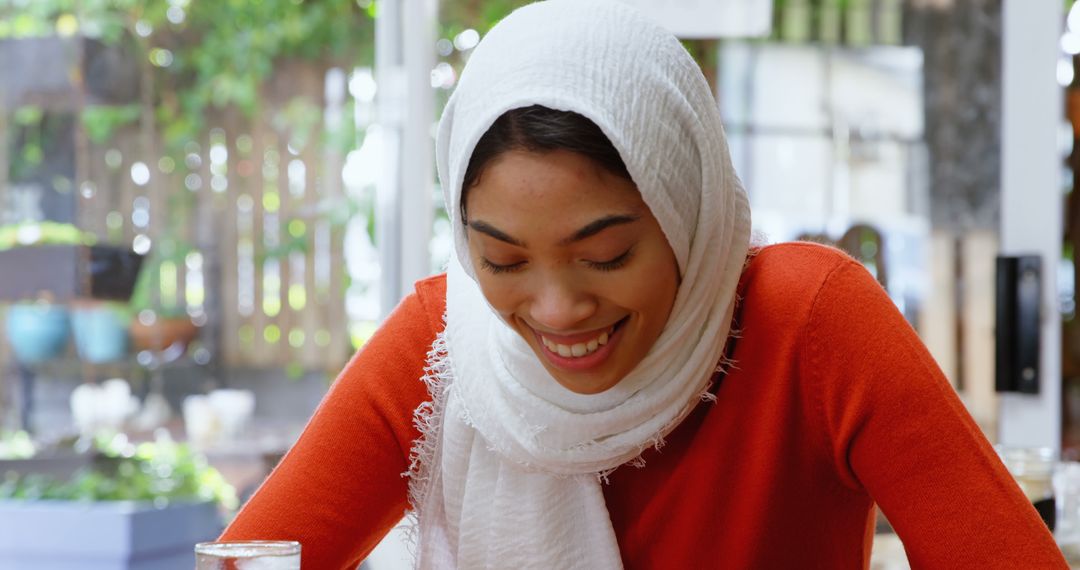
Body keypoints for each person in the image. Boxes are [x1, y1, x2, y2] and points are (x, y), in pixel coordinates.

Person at [220, 1, 1068, 568]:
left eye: (607, 254)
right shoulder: (447, 343)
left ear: (685, 209)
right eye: (503, 261)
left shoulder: (810, 320)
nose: (556, 309)